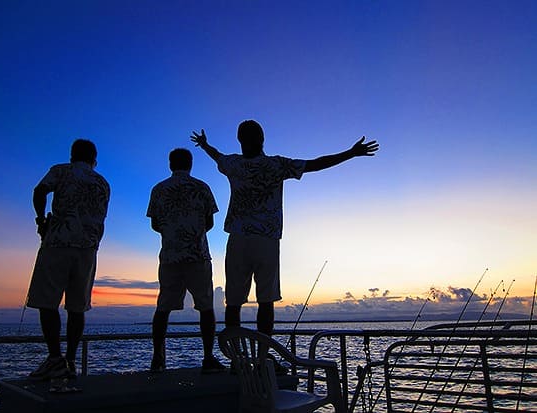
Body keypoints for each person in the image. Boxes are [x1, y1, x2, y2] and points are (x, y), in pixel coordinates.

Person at [191, 120, 379, 337]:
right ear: (262, 140)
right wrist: (350, 153)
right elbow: (315, 164)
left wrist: (205, 145)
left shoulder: (233, 164)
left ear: (239, 140)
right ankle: (263, 356)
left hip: (238, 239)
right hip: (266, 241)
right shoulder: (276, 165)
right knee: (266, 300)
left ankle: (236, 359)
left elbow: (217, 155)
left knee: (233, 302)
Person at [27, 139, 110, 380]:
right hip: (87, 250)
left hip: (58, 243)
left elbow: (39, 191)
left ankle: (55, 358)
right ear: (94, 159)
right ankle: (71, 361)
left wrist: (41, 220)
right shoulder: (102, 183)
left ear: (72, 155)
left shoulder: (60, 171)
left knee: (47, 301)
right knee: (77, 307)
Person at [147, 148, 225, 373]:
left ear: (170, 164)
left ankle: (157, 357)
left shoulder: (159, 189)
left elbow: (155, 224)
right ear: (190, 164)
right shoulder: (202, 188)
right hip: (198, 255)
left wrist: (172, 232)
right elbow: (209, 223)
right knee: (206, 307)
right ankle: (208, 357)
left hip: (170, 256)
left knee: (163, 308)